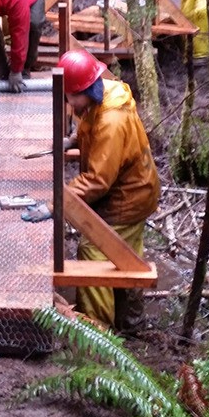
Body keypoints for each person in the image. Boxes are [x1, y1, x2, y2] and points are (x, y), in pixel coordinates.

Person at [58, 49, 160, 331]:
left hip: (127, 197)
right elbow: (91, 125)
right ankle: (131, 319)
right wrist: (73, 140)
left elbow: (97, 181)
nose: (68, 103)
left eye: (69, 96)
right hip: (136, 189)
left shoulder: (111, 122)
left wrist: (58, 201)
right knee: (126, 255)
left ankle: (99, 331)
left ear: (80, 91)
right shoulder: (103, 95)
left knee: (94, 250)